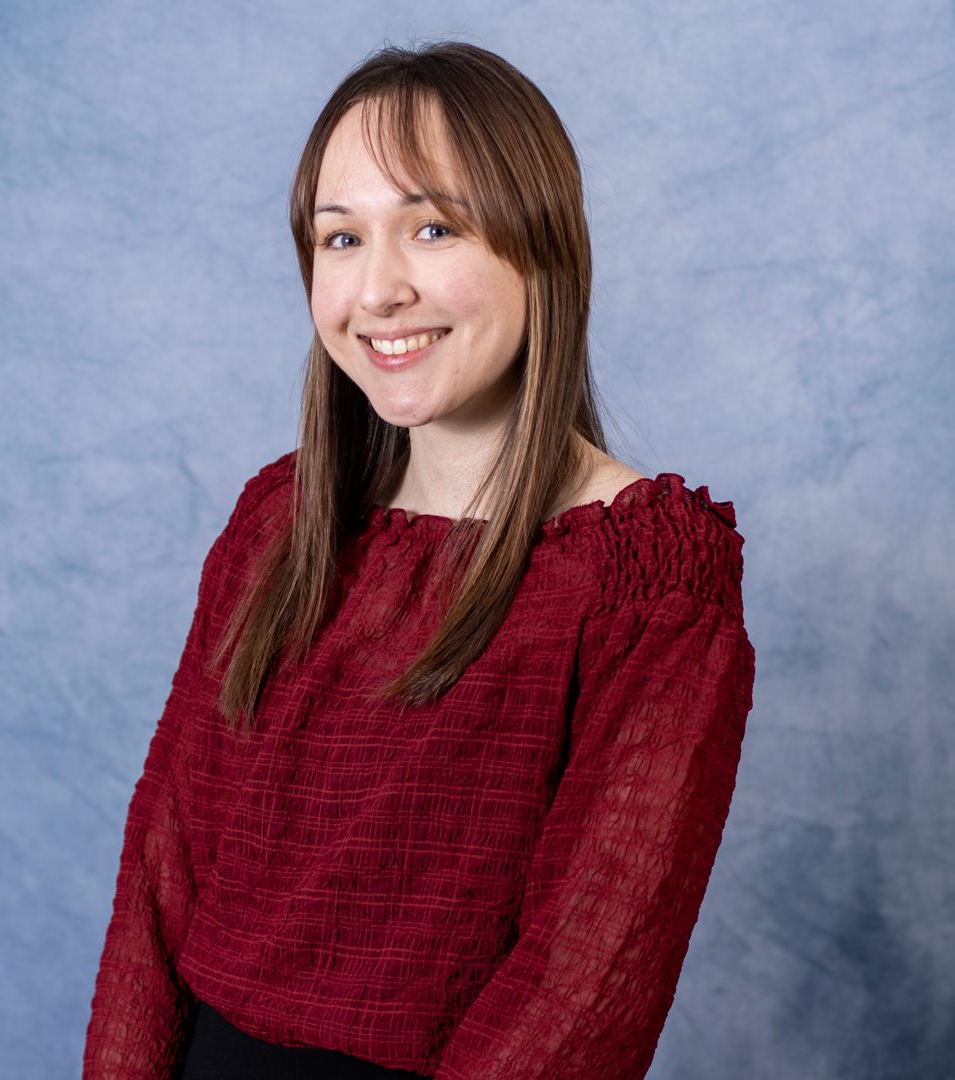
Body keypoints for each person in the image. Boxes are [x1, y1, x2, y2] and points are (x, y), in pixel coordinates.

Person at [82, 40, 756, 1080]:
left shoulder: (647, 575)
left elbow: (583, 982)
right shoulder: (282, 520)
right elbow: (162, 868)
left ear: (541, 247)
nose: (380, 288)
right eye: (341, 238)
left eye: (432, 227)